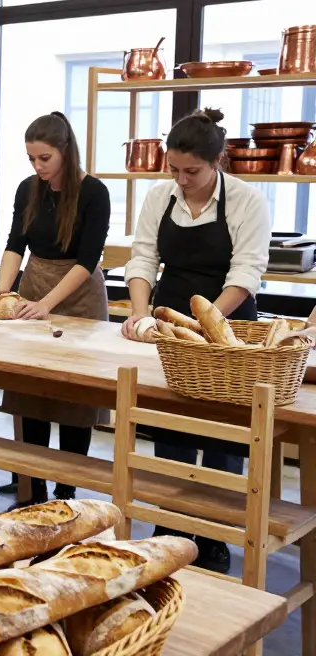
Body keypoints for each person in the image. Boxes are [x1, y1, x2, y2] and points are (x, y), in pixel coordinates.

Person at [120, 107, 270, 573]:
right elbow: (143, 258)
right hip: (169, 320)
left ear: (218, 161)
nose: (181, 180)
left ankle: (214, 532)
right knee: (173, 422)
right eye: (174, 170)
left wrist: (204, 323)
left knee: (225, 434)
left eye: (192, 171)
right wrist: (142, 314)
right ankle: (170, 524)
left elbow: (246, 271)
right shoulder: (160, 197)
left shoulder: (247, 200)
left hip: (227, 327)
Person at [0, 112, 110, 507]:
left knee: (75, 397)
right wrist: (2, 293)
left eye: (44, 158)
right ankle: (30, 487)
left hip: (79, 294)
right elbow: (15, 243)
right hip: (34, 282)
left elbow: (88, 260)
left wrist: (46, 305)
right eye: (31, 159)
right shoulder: (28, 189)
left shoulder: (93, 193)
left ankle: (66, 492)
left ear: (65, 152)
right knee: (29, 388)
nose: (37, 167)